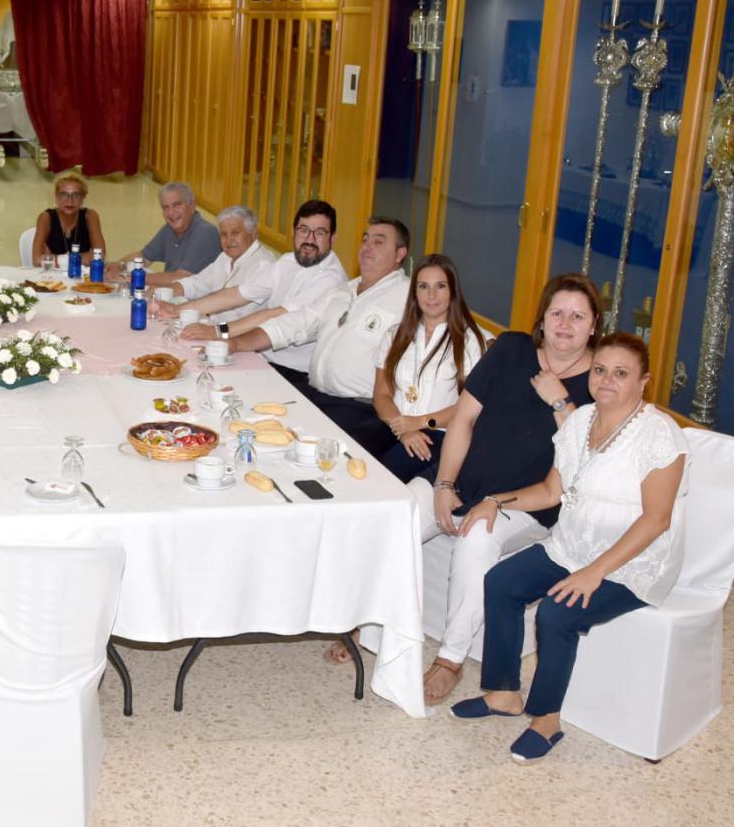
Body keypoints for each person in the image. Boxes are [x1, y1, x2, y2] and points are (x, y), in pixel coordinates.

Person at [450, 333, 687, 764]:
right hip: (572, 545)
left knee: (556, 611)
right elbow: (550, 491)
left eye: (621, 373)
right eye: (600, 370)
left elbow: (657, 519)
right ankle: (503, 693)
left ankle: (546, 720)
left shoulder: (659, 435)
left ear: (643, 381)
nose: (607, 380)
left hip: (631, 563)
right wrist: (495, 500)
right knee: (501, 582)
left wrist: (594, 572)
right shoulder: (580, 422)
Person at [415, 273, 601, 704]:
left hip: (527, 505)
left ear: (594, 326)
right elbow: (463, 419)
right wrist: (443, 484)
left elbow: (582, 459)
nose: (565, 324)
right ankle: (365, 622)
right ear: (542, 318)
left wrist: (559, 400)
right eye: (557, 313)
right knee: (397, 515)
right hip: (460, 481)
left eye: (578, 316)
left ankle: (449, 660)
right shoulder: (513, 348)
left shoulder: (598, 382)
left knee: (478, 538)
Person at [226, 216, 409, 457]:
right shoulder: (342, 291)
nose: (367, 246)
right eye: (365, 240)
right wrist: (235, 342)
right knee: (247, 410)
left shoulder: (408, 297)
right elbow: (296, 323)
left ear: (400, 254)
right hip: (314, 395)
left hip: (359, 409)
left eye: (378, 242)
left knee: (305, 453)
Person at [165, 200, 346, 377]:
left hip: (292, 372)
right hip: (260, 355)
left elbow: (275, 315)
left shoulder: (330, 279)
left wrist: (218, 331)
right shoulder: (288, 261)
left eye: (319, 233)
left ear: (333, 238)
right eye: (303, 230)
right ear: (293, 232)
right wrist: (177, 309)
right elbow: (237, 294)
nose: (309, 240)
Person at [372, 254, 488, 483]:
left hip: (439, 434)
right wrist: (404, 428)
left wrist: (421, 422)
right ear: (414, 292)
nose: (431, 295)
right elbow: (381, 394)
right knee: (352, 449)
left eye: (440, 286)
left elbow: (470, 407)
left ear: (453, 291)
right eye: (423, 286)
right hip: (395, 425)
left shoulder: (469, 341)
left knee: (384, 474)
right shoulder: (395, 335)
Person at [155, 206, 275, 324]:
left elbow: (229, 300)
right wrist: (165, 290)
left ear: (253, 232)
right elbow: (197, 283)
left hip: (237, 333)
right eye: (223, 234)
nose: (229, 240)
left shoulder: (263, 265)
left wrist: (177, 309)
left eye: (235, 233)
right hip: (211, 325)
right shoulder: (225, 257)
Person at [105, 182, 221, 286]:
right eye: (166, 207)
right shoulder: (170, 229)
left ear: (192, 205)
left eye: (177, 205)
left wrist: (130, 278)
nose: (171, 212)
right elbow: (144, 257)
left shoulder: (205, 233)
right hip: (174, 293)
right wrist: (120, 265)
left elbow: (181, 277)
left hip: (197, 300)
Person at [32, 172, 106, 267]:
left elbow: (100, 256)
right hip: (52, 275)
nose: (70, 200)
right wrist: (84, 258)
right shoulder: (46, 218)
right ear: (56, 197)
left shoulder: (90, 216)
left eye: (76, 195)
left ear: (83, 198)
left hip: (81, 275)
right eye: (64, 194)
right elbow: (37, 260)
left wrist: (55, 259)